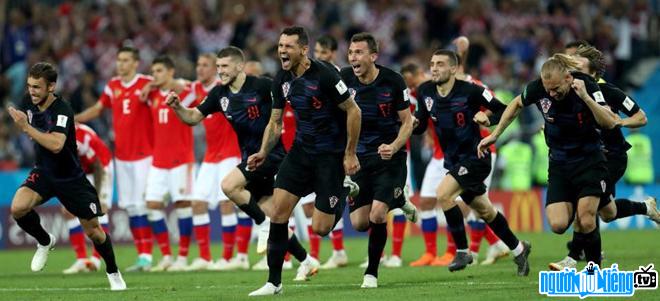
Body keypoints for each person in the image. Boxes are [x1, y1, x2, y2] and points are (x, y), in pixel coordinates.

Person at [165, 45, 315, 284]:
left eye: (224, 66)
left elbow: (291, 105)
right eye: (218, 67)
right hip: (251, 159)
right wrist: (177, 107)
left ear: (239, 66)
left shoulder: (263, 86)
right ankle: (306, 261)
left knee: (229, 186)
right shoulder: (219, 94)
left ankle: (263, 225)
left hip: (272, 155)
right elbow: (193, 117)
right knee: (275, 216)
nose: (220, 71)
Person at [246, 26, 362, 296]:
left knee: (320, 228)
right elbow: (275, 123)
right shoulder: (281, 79)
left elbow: (353, 111)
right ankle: (274, 283)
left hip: (330, 157)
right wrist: (264, 151)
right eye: (280, 45)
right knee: (277, 213)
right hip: (300, 153)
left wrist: (350, 152)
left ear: (303, 49)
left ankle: (345, 188)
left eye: (288, 46)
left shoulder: (325, 75)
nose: (282, 51)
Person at [478, 53, 619, 267]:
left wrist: (586, 98)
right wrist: (495, 134)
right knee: (558, 224)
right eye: (547, 89)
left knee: (587, 217)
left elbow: (609, 122)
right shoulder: (538, 88)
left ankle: (594, 269)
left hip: (589, 160)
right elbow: (516, 104)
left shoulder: (587, 85)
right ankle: (592, 204)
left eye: (556, 89)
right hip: (560, 164)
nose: (551, 94)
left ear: (568, 79)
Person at [8, 62, 125, 290]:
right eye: (30, 86)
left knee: (94, 232)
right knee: (18, 208)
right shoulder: (27, 103)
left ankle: (113, 271)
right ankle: (45, 240)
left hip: (70, 178)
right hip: (43, 172)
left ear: (51, 87)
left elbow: (56, 145)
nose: (31, 91)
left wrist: (26, 128)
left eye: (37, 87)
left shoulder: (63, 109)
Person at [414, 49, 530, 275]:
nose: (434, 68)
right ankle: (519, 249)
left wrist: (488, 118)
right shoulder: (425, 91)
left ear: (453, 69)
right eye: (432, 63)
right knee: (485, 211)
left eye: (440, 64)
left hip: (477, 157)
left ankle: (462, 250)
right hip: (453, 160)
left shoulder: (472, 91)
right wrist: (413, 123)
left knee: (443, 194)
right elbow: (420, 123)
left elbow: (505, 110)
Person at [549, 44, 660, 270]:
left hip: (612, 156)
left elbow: (641, 117)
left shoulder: (608, 92)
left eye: (577, 63)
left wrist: (619, 122)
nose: (572, 67)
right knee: (608, 213)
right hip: (588, 157)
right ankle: (646, 207)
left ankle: (572, 259)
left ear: (591, 71)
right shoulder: (569, 92)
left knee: (585, 210)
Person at [341, 32, 415, 288]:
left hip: (389, 157)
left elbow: (408, 122)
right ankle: (400, 197)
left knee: (378, 214)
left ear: (373, 56)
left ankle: (371, 273)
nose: (353, 57)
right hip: (359, 159)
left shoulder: (393, 81)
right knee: (360, 223)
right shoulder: (344, 78)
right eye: (351, 52)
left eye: (359, 52)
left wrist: (394, 146)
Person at [75, 46, 155, 271]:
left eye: (126, 60)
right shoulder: (113, 86)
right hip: (122, 156)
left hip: (144, 155)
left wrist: (154, 85)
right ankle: (142, 257)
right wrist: (74, 120)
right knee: (130, 206)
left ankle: (147, 256)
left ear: (136, 63)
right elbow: (99, 109)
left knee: (142, 205)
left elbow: (166, 82)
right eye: (119, 60)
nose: (121, 64)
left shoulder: (145, 82)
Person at [184, 53, 243, 271]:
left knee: (226, 204)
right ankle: (205, 257)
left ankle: (227, 258)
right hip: (210, 156)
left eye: (205, 65)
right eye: (198, 64)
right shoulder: (195, 89)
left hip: (229, 153)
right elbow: (178, 86)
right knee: (197, 202)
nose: (200, 69)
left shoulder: (223, 88)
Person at [142, 56, 195, 272]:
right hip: (159, 160)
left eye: (160, 71)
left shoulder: (185, 92)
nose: (155, 75)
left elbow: (195, 89)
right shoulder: (152, 94)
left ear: (171, 72)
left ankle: (182, 258)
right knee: (152, 205)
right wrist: (149, 85)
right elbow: (140, 97)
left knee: (182, 204)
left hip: (181, 159)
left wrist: (176, 84)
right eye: (153, 71)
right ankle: (166, 255)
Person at [62, 123, 113, 274]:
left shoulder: (80, 139)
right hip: (80, 171)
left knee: (99, 210)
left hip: (101, 168)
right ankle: (82, 260)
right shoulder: (52, 136)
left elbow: (97, 166)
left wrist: (95, 196)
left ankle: (96, 259)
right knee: (68, 211)